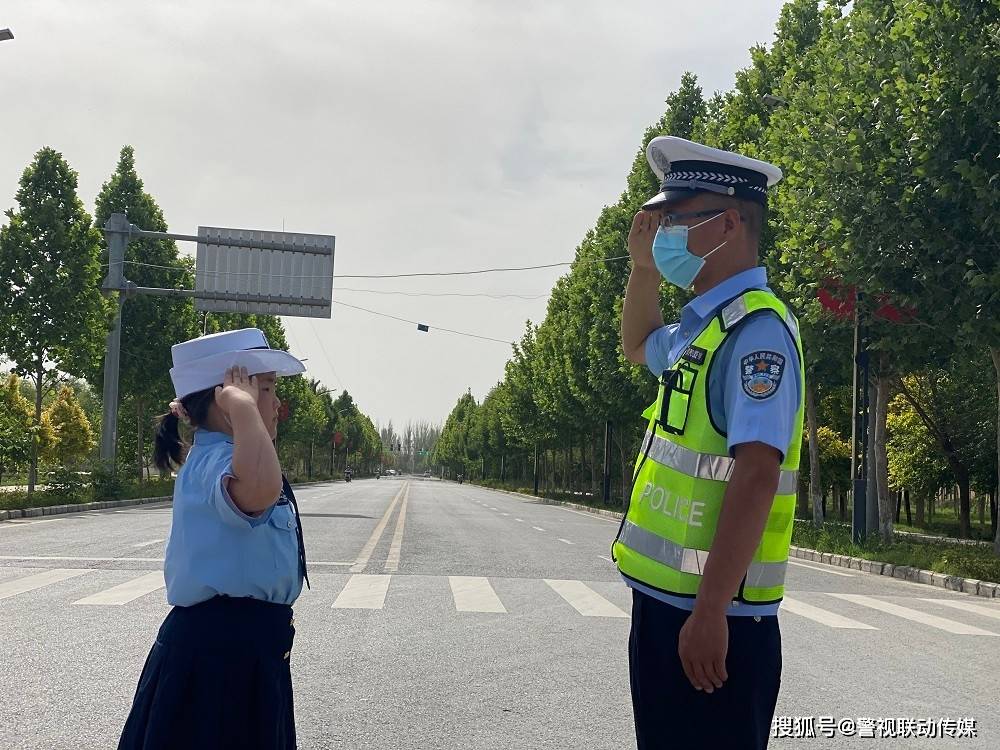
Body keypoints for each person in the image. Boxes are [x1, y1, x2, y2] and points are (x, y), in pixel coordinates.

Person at [614, 136, 804, 750]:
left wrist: (711, 611)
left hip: (718, 619)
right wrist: (643, 269)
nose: (661, 232)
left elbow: (755, 475)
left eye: (675, 219)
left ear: (728, 222)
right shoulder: (705, 328)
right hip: (671, 606)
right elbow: (640, 343)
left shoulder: (756, 333)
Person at [118, 328, 310, 750]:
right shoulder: (217, 460)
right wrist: (244, 408)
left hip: (247, 657)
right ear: (226, 399)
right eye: (266, 388)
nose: (278, 403)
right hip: (217, 664)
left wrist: (244, 410)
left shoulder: (223, 453)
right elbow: (260, 489)